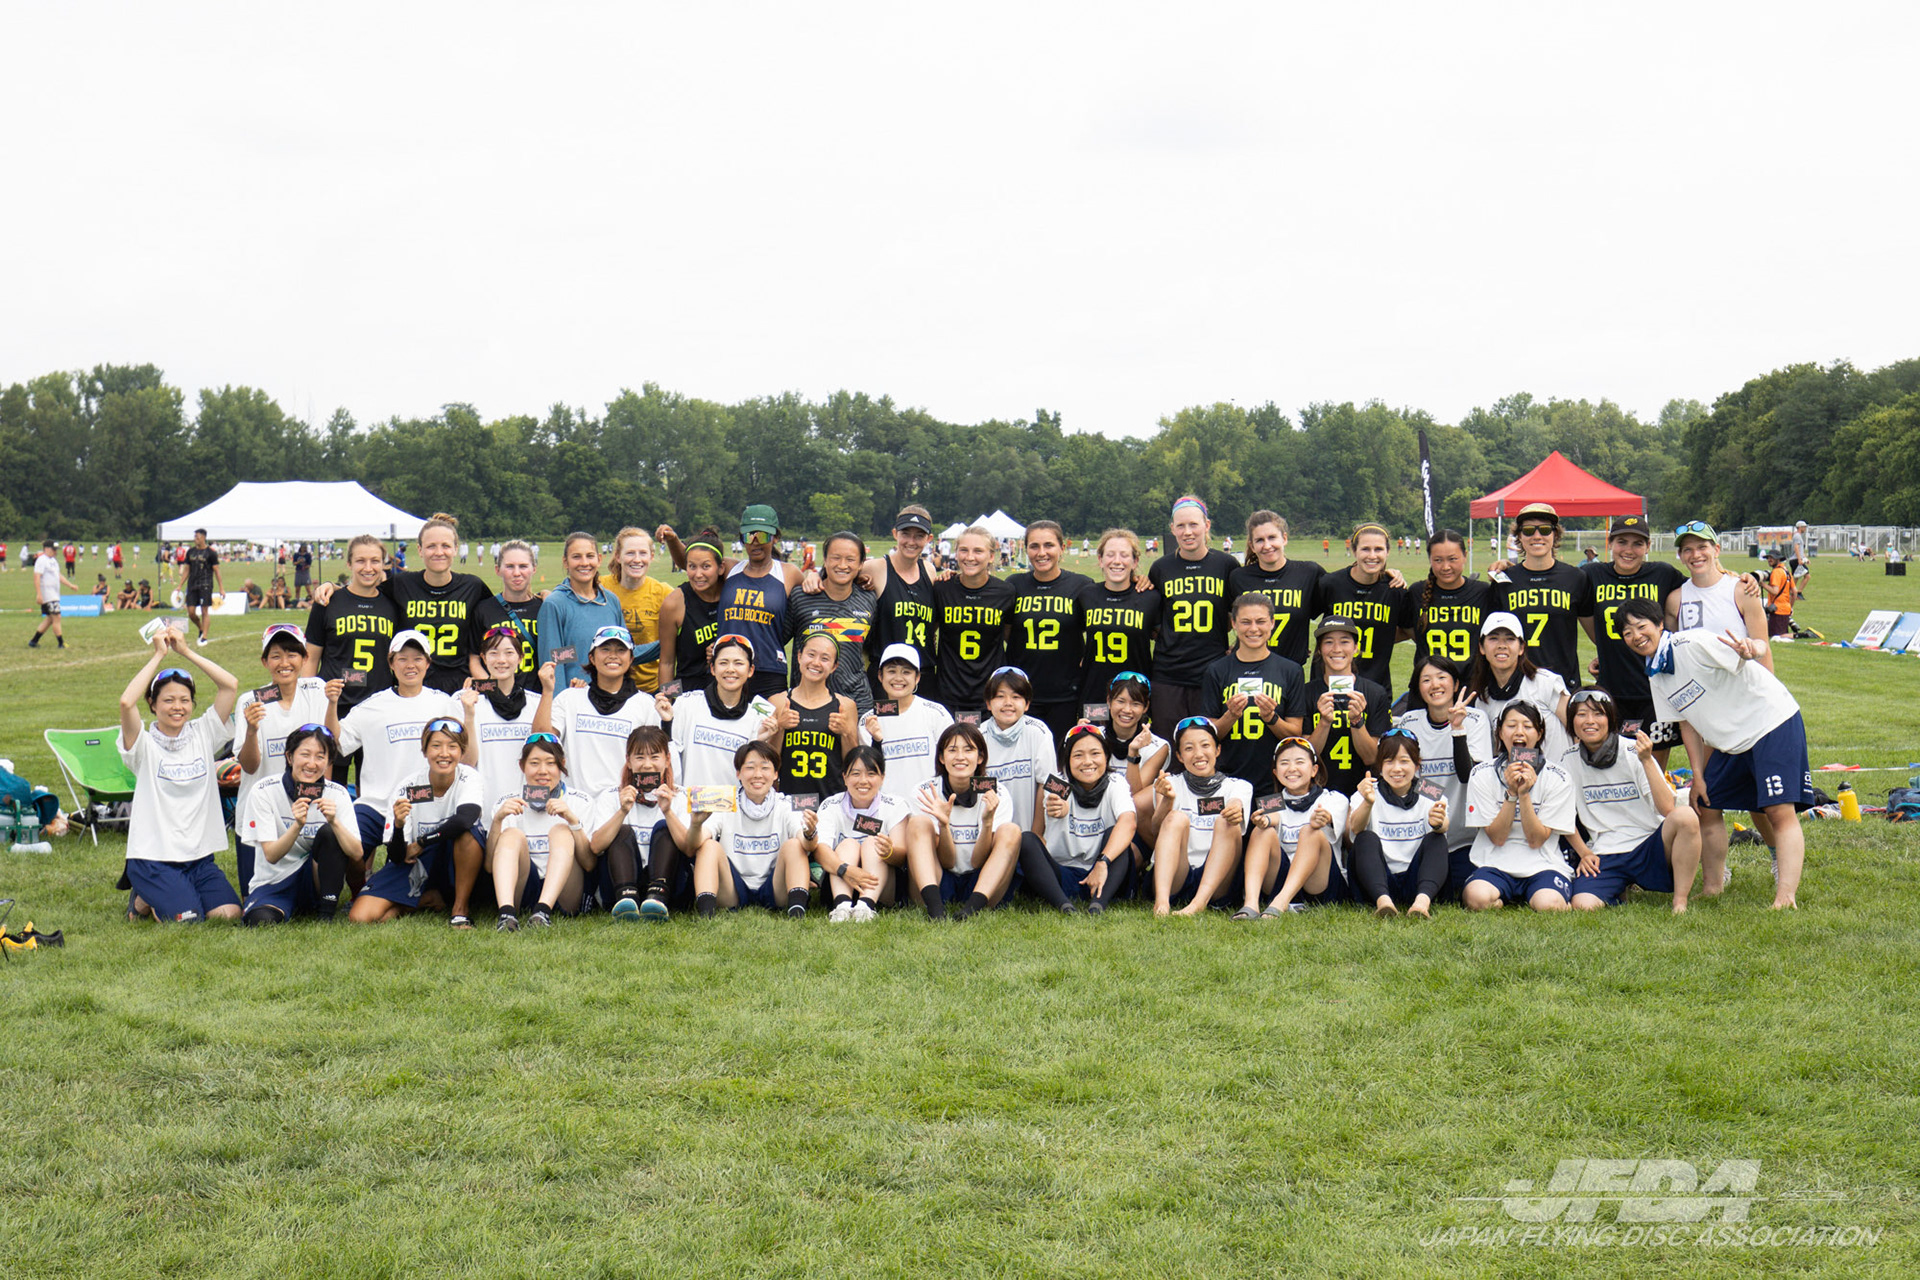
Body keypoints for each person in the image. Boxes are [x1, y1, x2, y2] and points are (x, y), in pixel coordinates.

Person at [1620, 597, 1810, 909]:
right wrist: (1698, 776)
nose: (1636, 636)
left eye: (1641, 627)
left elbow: (1756, 648)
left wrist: (1751, 649)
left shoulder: (1692, 643)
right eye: (1627, 633)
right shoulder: (1655, 671)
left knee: (1778, 811)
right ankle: (1713, 886)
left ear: (1659, 624)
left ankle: (1785, 897)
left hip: (1770, 722)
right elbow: (1687, 723)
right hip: (1730, 740)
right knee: (1706, 806)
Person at [117, 630, 243, 922]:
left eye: (185, 700)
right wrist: (158, 654)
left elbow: (230, 685)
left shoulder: (203, 732)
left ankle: (155, 895)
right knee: (188, 919)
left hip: (197, 857)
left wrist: (186, 651)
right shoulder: (142, 744)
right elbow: (126, 703)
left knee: (229, 914)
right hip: (154, 857)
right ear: (153, 704)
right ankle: (145, 893)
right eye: (168, 700)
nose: (177, 707)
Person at [326, 629, 459, 883]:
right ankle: (358, 890)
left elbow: (463, 751)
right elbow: (337, 742)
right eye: (402, 659)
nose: (410, 665)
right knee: (344, 840)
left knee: (411, 872)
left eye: (418, 659)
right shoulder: (372, 706)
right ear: (391, 663)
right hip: (377, 803)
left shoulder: (443, 704)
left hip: (425, 803)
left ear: (428, 663)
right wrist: (332, 704)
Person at [308, 515, 494, 695]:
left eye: (445, 546)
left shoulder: (472, 586)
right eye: (431, 546)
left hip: (459, 686)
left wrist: (484, 682)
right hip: (411, 685)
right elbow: (362, 591)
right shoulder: (402, 584)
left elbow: (498, 617)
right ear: (420, 550)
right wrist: (335, 588)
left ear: (456, 549)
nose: (439, 552)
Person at [1560, 688, 1702, 913]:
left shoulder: (1632, 751)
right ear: (1571, 722)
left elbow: (1667, 808)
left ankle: (1680, 901)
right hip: (1605, 851)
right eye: (1581, 714)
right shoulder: (1568, 760)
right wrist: (1584, 853)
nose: (1590, 721)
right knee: (1583, 905)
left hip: (1649, 845)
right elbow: (1562, 815)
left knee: (1686, 816)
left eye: (1598, 713)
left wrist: (1647, 760)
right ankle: (1619, 891)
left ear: (1611, 719)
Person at [349, 718, 485, 923]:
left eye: (452, 746)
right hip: (419, 861)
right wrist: (398, 826)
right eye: (436, 746)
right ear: (424, 751)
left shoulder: (469, 777)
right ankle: (424, 899)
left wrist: (422, 842)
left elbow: (465, 820)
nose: (444, 753)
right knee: (359, 917)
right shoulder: (408, 787)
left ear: (462, 751)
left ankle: (460, 910)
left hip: (453, 857)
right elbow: (397, 856)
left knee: (468, 835)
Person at [231, 624, 329, 891]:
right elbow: (249, 766)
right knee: (254, 898)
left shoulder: (316, 691)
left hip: (304, 809)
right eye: (276, 656)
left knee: (310, 895)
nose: (284, 663)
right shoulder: (250, 701)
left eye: (292, 654)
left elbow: (327, 754)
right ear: (265, 661)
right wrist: (252, 730)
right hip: (259, 811)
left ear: (305, 658)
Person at [454, 624, 540, 926]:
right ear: (483, 658)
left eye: (508, 653)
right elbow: (467, 762)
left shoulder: (536, 702)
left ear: (520, 658)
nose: (501, 660)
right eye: (493, 653)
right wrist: (469, 715)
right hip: (483, 811)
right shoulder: (465, 699)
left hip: (524, 812)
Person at [1581, 515, 1687, 758]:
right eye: (1622, 542)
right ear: (1610, 543)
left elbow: (1702, 586)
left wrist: (1734, 574)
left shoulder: (1662, 573)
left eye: (1637, 543)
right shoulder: (1592, 575)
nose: (1628, 550)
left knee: (1653, 768)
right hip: (1612, 689)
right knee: (1613, 765)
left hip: (1657, 689)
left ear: (1648, 546)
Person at [237, 724, 362, 923]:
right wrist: (297, 825)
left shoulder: (338, 793)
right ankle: (277, 906)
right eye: (305, 754)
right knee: (261, 921)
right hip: (274, 881)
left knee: (330, 832)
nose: (312, 764)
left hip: (314, 878)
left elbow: (356, 853)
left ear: (329, 762)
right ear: (289, 757)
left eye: (320, 757)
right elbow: (271, 855)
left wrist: (334, 822)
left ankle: (326, 913)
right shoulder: (264, 791)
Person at [302, 534, 400, 780]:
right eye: (360, 561)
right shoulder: (328, 601)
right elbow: (311, 657)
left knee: (375, 784)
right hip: (335, 705)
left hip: (377, 705)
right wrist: (307, 700)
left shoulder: (393, 604)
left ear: (384, 563)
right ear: (349, 564)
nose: (368, 568)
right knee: (331, 783)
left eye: (375, 561)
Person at [1393, 654, 1491, 900]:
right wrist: (1436, 798)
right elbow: (1407, 782)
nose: (1435, 685)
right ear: (1418, 688)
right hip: (1426, 835)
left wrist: (1457, 729)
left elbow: (1469, 776)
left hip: (1466, 839)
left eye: (1441, 678)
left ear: (1456, 684)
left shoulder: (1475, 719)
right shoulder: (1409, 723)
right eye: (1426, 680)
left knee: (1463, 889)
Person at [1461, 703, 1575, 912]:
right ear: (1500, 732)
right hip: (1494, 863)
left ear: (1539, 733)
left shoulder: (1558, 777)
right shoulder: (1482, 774)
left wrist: (1524, 795)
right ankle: (1503, 896)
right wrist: (1512, 793)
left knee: (1548, 905)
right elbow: (1497, 838)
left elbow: (1536, 840)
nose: (1519, 732)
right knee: (1476, 898)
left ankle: (1547, 896)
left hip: (1543, 864)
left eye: (1528, 726)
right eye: (1511, 725)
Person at [907, 722, 1023, 919]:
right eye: (952, 750)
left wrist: (987, 822)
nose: (960, 757)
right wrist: (944, 825)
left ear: (980, 757)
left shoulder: (997, 792)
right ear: (941, 758)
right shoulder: (925, 792)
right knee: (918, 823)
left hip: (981, 883)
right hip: (938, 880)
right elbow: (948, 862)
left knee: (1011, 830)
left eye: (968, 750)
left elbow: (977, 861)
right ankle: (935, 910)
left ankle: (971, 910)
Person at [1018, 725, 1137, 913]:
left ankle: (1098, 904)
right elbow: (1055, 802)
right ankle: (1063, 905)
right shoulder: (1057, 783)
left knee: (1117, 835)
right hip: (1062, 873)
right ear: (1067, 759)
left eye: (1095, 753)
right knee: (1026, 839)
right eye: (1078, 755)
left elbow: (1129, 822)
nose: (1087, 762)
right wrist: (1059, 808)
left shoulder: (1116, 782)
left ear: (1106, 756)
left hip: (1104, 873)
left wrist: (1102, 862)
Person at [536, 625, 661, 801]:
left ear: (631, 659)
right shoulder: (569, 698)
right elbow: (541, 741)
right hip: (573, 805)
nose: (613, 655)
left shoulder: (646, 705)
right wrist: (547, 691)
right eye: (605, 649)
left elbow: (654, 762)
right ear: (592, 658)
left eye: (621, 650)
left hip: (623, 806)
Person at [1147, 497, 1239, 729]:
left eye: (1193, 524)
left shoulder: (1226, 565)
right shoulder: (1161, 568)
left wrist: (1237, 646)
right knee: (1167, 741)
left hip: (1212, 671)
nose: (1187, 532)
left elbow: (1241, 615)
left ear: (1206, 525)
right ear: (1172, 529)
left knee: (1206, 740)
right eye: (1180, 526)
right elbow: (1154, 621)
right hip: (1168, 674)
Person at [689, 741, 810, 917]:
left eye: (765, 768)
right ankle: (706, 912)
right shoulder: (725, 802)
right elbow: (695, 844)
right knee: (708, 846)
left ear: (775, 774)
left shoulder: (785, 803)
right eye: (750, 768)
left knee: (795, 845)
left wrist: (810, 832)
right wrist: (695, 824)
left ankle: (797, 910)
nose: (758, 775)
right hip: (733, 888)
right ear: (738, 773)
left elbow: (806, 843)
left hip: (774, 886)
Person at [1202, 594, 1308, 791]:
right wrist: (1231, 715)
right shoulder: (1216, 670)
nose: (1253, 629)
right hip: (1227, 780)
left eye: (1260, 621)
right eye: (1245, 622)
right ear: (1234, 624)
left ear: (1272, 623)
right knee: (1230, 813)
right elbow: (1207, 737)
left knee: (1270, 813)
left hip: (1274, 782)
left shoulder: (1291, 670)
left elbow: (1295, 734)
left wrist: (1271, 718)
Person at [1147, 718, 1251, 916]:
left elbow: (1236, 803)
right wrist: (1167, 800)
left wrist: (1235, 808)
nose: (1198, 754)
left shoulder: (1239, 786)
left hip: (1219, 880)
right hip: (1178, 874)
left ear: (1217, 750)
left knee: (1227, 821)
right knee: (1175, 818)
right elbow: (1156, 829)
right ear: (1179, 756)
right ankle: (1161, 903)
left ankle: (1198, 904)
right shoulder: (1170, 783)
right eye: (1189, 748)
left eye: (1205, 745)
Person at [487, 734, 590, 930]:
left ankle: (543, 911)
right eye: (534, 763)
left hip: (566, 893)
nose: (543, 771)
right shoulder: (507, 803)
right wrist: (497, 821)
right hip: (524, 886)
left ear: (561, 765)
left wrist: (572, 821)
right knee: (511, 834)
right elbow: (488, 867)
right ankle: (506, 914)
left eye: (550, 763)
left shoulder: (580, 801)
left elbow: (589, 863)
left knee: (561, 830)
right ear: (522, 766)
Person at [702, 505, 806, 698]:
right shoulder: (730, 568)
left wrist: (815, 578)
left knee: (773, 718)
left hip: (769, 670)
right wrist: (672, 539)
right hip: (728, 669)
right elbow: (692, 563)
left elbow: (815, 593)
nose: (755, 542)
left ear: (775, 537)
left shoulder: (788, 573)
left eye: (763, 536)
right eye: (749, 536)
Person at [590, 725, 693, 921]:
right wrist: (622, 811)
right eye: (639, 757)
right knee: (621, 830)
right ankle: (626, 901)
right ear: (628, 761)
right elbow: (595, 847)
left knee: (664, 827)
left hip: (669, 885)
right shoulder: (611, 796)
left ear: (667, 759)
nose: (647, 765)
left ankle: (657, 899)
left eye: (654, 757)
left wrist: (668, 812)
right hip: (620, 885)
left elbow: (689, 849)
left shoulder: (680, 796)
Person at [1237, 737, 1348, 917]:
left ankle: (1281, 903)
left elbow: (1327, 816)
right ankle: (1251, 904)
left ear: (1314, 770)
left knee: (1310, 831)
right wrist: (1264, 821)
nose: (1291, 768)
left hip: (1318, 884)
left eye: (1299, 762)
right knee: (1261, 831)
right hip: (1280, 880)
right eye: (1284, 763)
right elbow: (1272, 817)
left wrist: (1323, 818)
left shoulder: (1333, 798)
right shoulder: (1272, 802)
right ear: (1275, 772)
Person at [1486, 503, 1592, 690]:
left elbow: (1595, 633)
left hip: (1563, 683)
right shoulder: (1504, 580)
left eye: (1544, 530)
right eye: (1528, 531)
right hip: (1517, 683)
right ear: (1519, 536)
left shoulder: (1576, 578)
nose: (1537, 536)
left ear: (1555, 534)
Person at [1004, 520, 1091, 742]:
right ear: (1026, 549)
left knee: (1061, 754)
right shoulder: (1014, 585)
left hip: (1066, 692)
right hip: (1021, 692)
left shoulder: (1082, 585)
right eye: (1034, 546)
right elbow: (1006, 631)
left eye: (1049, 545)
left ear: (1062, 548)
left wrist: (1138, 579)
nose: (1041, 553)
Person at [1348, 731, 1450, 918]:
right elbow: (1355, 828)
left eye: (1404, 761)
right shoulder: (1367, 791)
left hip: (1417, 879)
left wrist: (1438, 822)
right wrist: (1368, 802)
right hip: (1379, 879)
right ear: (1380, 766)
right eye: (1389, 761)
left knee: (1437, 839)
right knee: (1365, 838)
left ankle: (1421, 904)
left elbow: (1445, 824)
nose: (1397, 769)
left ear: (1417, 765)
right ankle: (1384, 903)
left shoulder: (1430, 789)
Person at [799, 746, 902, 922]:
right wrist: (845, 870)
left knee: (872, 843)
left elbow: (903, 855)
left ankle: (866, 906)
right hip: (839, 884)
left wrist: (889, 852)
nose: (863, 781)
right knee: (848, 844)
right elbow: (820, 849)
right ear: (845, 777)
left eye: (871, 774)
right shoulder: (831, 805)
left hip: (881, 887)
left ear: (882, 778)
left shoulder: (895, 805)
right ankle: (842, 906)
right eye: (855, 774)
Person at [663, 634, 778, 789]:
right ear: (712, 668)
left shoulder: (757, 719)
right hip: (688, 803)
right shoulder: (687, 704)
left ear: (750, 670)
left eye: (738, 663)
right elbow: (669, 758)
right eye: (723, 663)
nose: (730, 669)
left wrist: (760, 741)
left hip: (733, 805)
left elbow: (753, 777)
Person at [785, 532, 878, 717]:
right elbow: (776, 640)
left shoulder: (868, 598)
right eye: (836, 558)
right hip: (806, 704)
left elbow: (871, 646)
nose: (842, 565)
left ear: (861, 564)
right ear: (825, 560)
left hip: (857, 702)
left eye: (850, 559)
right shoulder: (801, 597)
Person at [1315, 523, 1411, 690]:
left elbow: (1409, 631)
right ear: (1354, 551)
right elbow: (1301, 616)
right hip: (1329, 681)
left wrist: (1382, 638)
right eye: (1365, 549)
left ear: (1388, 551)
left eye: (1378, 549)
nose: (1372, 556)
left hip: (1376, 684)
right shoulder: (1331, 584)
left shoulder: (1394, 589)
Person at [930, 525, 1016, 712]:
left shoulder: (1005, 592)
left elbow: (1010, 638)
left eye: (978, 551)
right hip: (948, 691)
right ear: (956, 553)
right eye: (964, 550)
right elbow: (929, 633)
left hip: (991, 692)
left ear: (991, 556)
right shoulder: (942, 589)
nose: (970, 557)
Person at [1303, 615, 1390, 795]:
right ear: (1319, 649)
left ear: (1356, 648)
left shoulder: (1375, 693)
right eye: (1328, 642)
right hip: (1317, 793)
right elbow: (1305, 758)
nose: (1337, 649)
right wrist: (1324, 723)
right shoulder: (1306, 693)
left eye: (1344, 642)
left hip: (1362, 791)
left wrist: (1357, 721)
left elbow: (1372, 758)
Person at [768, 630, 858, 803]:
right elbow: (767, 761)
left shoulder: (845, 706)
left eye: (825, 658)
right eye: (811, 654)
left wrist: (846, 733)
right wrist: (779, 727)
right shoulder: (778, 702)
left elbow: (854, 764)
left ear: (834, 666)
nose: (816, 663)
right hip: (789, 802)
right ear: (799, 656)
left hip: (831, 804)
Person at [1227, 511, 1324, 667]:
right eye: (1259, 540)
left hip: (1291, 670)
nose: (1267, 545)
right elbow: (1227, 619)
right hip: (1247, 668)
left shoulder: (1309, 573)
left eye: (1272, 537)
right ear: (1252, 546)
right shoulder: (1238, 577)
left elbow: (1332, 605)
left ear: (1284, 538)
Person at [1469, 611, 1572, 759]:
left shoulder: (1546, 683)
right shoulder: (1483, 700)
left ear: (1521, 647)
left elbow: (1576, 729)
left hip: (1558, 772)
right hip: (1514, 773)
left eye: (1510, 639)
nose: (1502, 646)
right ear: (1482, 647)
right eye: (1493, 639)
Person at [1406, 530, 1494, 700]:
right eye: (1438, 560)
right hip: (1428, 690)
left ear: (1465, 556)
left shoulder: (1482, 592)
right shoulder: (1417, 592)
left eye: (1452, 559)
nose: (1445, 567)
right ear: (1430, 560)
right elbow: (1404, 629)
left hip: (1471, 689)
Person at [860, 643, 954, 801]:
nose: (898, 678)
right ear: (880, 676)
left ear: (917, 677)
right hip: (886, 810)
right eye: (891, 671)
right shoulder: (868, 721)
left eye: (906, 672)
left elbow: (951, 760)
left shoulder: (936, 714)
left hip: (928, 806)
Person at [536, 532, 627, 691]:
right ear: (565, 562)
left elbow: (626, 652)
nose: (584, 563)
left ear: (599, 559)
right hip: (574, 699)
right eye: (576, 557)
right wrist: (561, 703)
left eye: (590, 556)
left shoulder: (611, 601)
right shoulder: (555, 604)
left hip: (611, 697)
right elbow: (553, 664)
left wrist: (668, 643)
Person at [1078, 528, 1159, 702]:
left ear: (1135, 561)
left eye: (1124, 555)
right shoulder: (1086, 595)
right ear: (1100, 560)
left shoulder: (1150, 597)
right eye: (1110, 555)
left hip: (1136, 693)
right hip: (1094, 691)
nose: (1117, 561)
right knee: (1094, 721)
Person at [979, 667, 1054, 842]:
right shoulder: (978, 737)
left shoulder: (1039, 732)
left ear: (1027, 704)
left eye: (1016, 697)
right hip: (990, 836)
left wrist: (1035, 836)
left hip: (1029, 835)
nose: (1008, 703)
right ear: (988, 703)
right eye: (1000, 696)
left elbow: (1046, 783)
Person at [1096, 671, 1170, 844]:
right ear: (1109, 702)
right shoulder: (1093, 737)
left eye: (1135, 704)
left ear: (1145, 707)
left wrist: (1133, 753)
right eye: (1120, 701)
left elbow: (1135, 798)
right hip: (1095, 816)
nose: (1127, 710)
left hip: (1134, 825)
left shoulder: (1159, 747)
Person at [601, 527, 672, 692]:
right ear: (618, 556)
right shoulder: (600, 587)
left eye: (643, 553)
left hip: (651, 689)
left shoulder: (664, 593)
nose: (637, 559)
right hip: (608, 687)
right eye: (630, 553)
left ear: (651, 556)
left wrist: (669, 694)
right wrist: (548, 596)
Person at [656, 529, 726, 695]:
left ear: (721, 568)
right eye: (692, 566)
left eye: (706, 566)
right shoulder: (674, 603)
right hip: (689, 692)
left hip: (728, 691)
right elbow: (667, 662)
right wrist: (669, 700)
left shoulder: (732, 595)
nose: (698, 574)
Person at [473, 541, 543, 678]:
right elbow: (474, 659)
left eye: (523, 566)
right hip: (496, 689)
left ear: (534, 569)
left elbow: (559, 653)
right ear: (497, 570)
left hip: (537, 691)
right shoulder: (483, 609)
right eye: (510, 566)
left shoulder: (545, 608)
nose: (517, 573)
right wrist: (492, 687)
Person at [181, 528, 224, 647]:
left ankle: (204, 637)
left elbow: (217, 571)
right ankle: (201, 628)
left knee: (204, 611)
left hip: (205, 584)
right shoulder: (190, 552)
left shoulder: (211, 553)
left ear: (204, 537)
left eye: (197, 537)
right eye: (195, 537)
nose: (195, 539)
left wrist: (221, 588)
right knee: (191, 612)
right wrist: (180, 585)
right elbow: (186, 570)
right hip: (192, 585)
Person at [1763, 551, 1794, 639]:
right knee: (1781, 635)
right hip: (1785, 609)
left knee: (1776, 637)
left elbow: (1775, 591)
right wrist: (1790, 606)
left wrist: (1762, 584)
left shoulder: (1776, 572)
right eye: (1768, 558)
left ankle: (1801, 636)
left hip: (1777, 610)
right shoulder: (1786, 571)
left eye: (1772, 558)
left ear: (1778, 559)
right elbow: (1794, 591)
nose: (1769, 560)